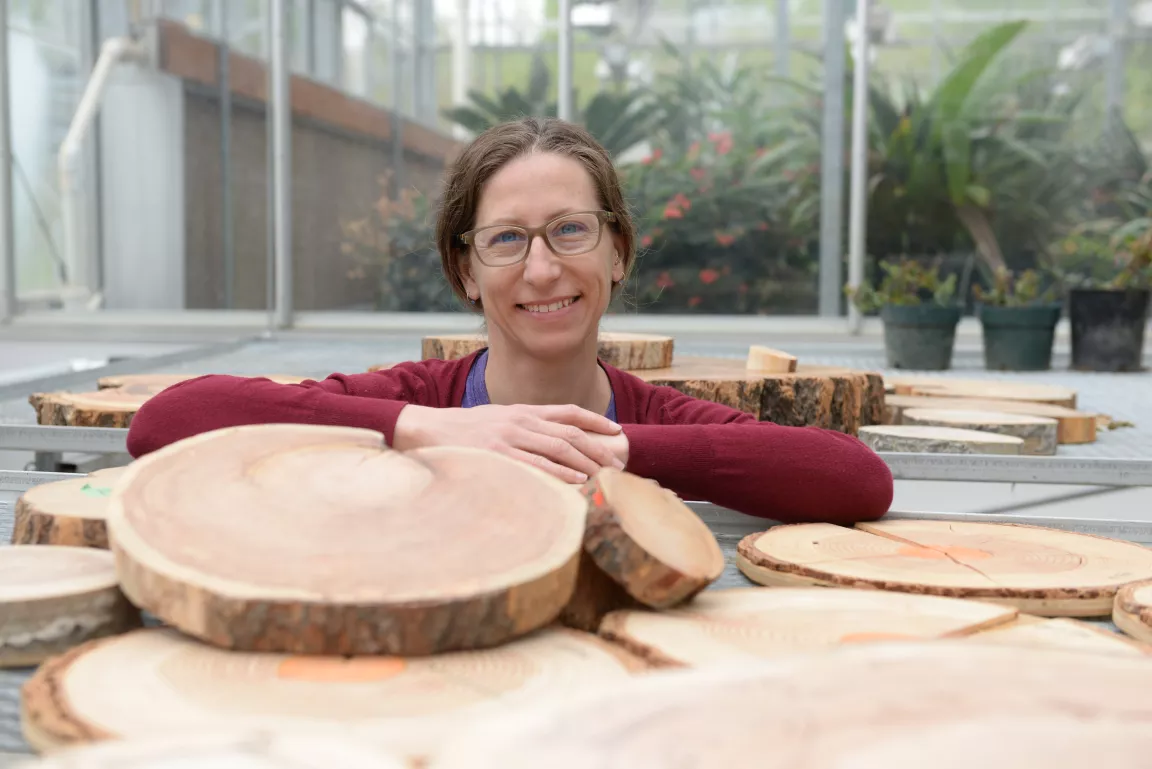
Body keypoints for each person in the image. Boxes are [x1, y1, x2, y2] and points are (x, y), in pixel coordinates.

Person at [126, 117, 893, 524]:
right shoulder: (418, 397)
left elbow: (859, 480)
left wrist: (607, 448)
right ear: (465, 269)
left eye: (570, 229)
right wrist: (427, 429)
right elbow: (164, 421)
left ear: (618, 251)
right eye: (505, 240)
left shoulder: (652, 417)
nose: (542, 269)